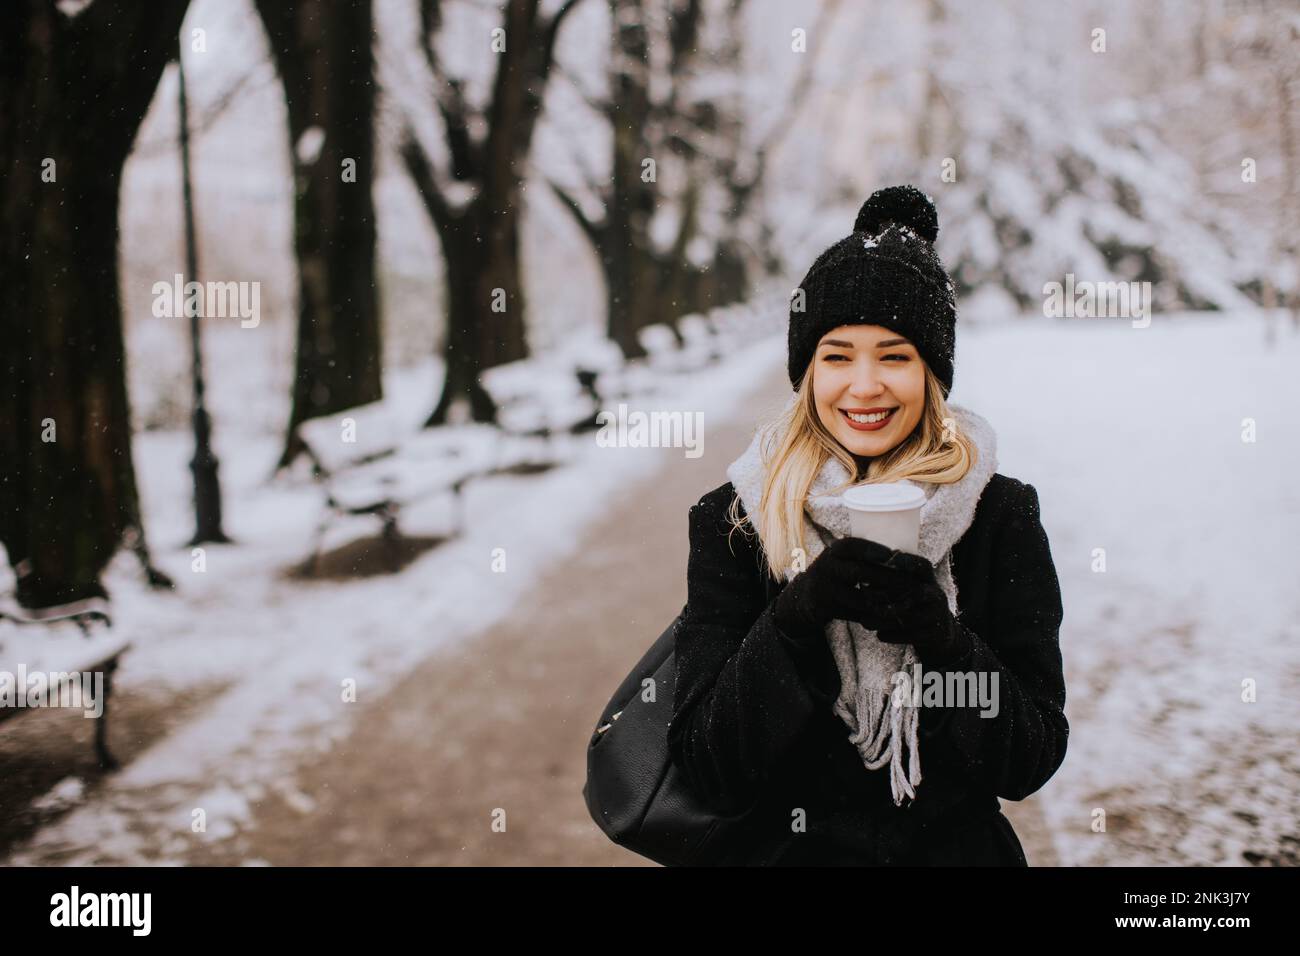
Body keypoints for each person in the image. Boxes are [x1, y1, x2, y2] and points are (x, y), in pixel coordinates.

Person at [666, 185, 1068, 865]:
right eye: (837, 355)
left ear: (931, 373)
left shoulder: (997, 516)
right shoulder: (737, 522)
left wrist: (945, 641)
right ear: (807, 371)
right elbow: (711, 764)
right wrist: (795, 617)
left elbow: (1028, 759)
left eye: (894, 355)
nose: (864, 385)